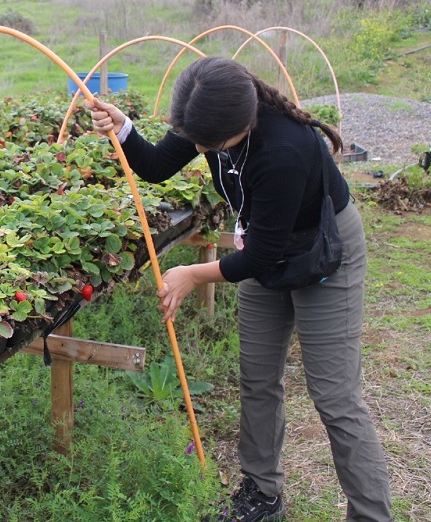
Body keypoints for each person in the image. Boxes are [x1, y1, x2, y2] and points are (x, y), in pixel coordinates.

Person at [86, 57, 391, 522]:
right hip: (265, 244)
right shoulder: (207, 114)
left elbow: (260, 257)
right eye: (196, 140)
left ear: (241, 124)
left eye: (208, 145)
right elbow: (155, 166)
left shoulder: (284, 149)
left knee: (334, 397)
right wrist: (123, 127)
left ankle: (371, 515)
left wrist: (192, 274)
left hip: (323, 249)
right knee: (258, 378)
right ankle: (263, 495)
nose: (201, 148)